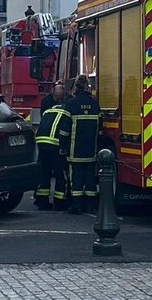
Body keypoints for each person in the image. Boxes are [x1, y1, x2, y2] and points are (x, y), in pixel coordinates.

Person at [59, 75, 101, 214]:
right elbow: (100, 129)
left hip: (74, 150)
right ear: (87, 86)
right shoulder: (95, 104)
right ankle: (91, 205)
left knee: (76, 178)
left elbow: (64, 130)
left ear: (76, 86)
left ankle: (76, 205)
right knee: (90, 178)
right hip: (91, 151)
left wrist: (62, 148)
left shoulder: (71, 104)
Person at [33, 83, 68, 211]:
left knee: (44, 172)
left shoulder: (48, 109)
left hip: (41, 143)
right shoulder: (65, 112)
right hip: (54, 145)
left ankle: (42, 201)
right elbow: (65, 132)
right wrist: (64, 148)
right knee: (60, 174)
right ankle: (59, 202)